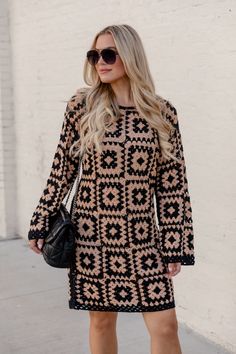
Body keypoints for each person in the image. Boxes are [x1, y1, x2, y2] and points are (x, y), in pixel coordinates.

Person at [28, 24, 195, 354]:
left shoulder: (162, 113)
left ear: (130, 57)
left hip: (143, 239)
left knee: (165, 325)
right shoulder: (82, 106)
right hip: (93, 239)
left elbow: (173, 184)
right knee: (101, 322)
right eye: (94, 55)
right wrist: (40, 219)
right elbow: (62, 170)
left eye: (108, 54)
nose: (99, 62)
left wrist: (175, 242)